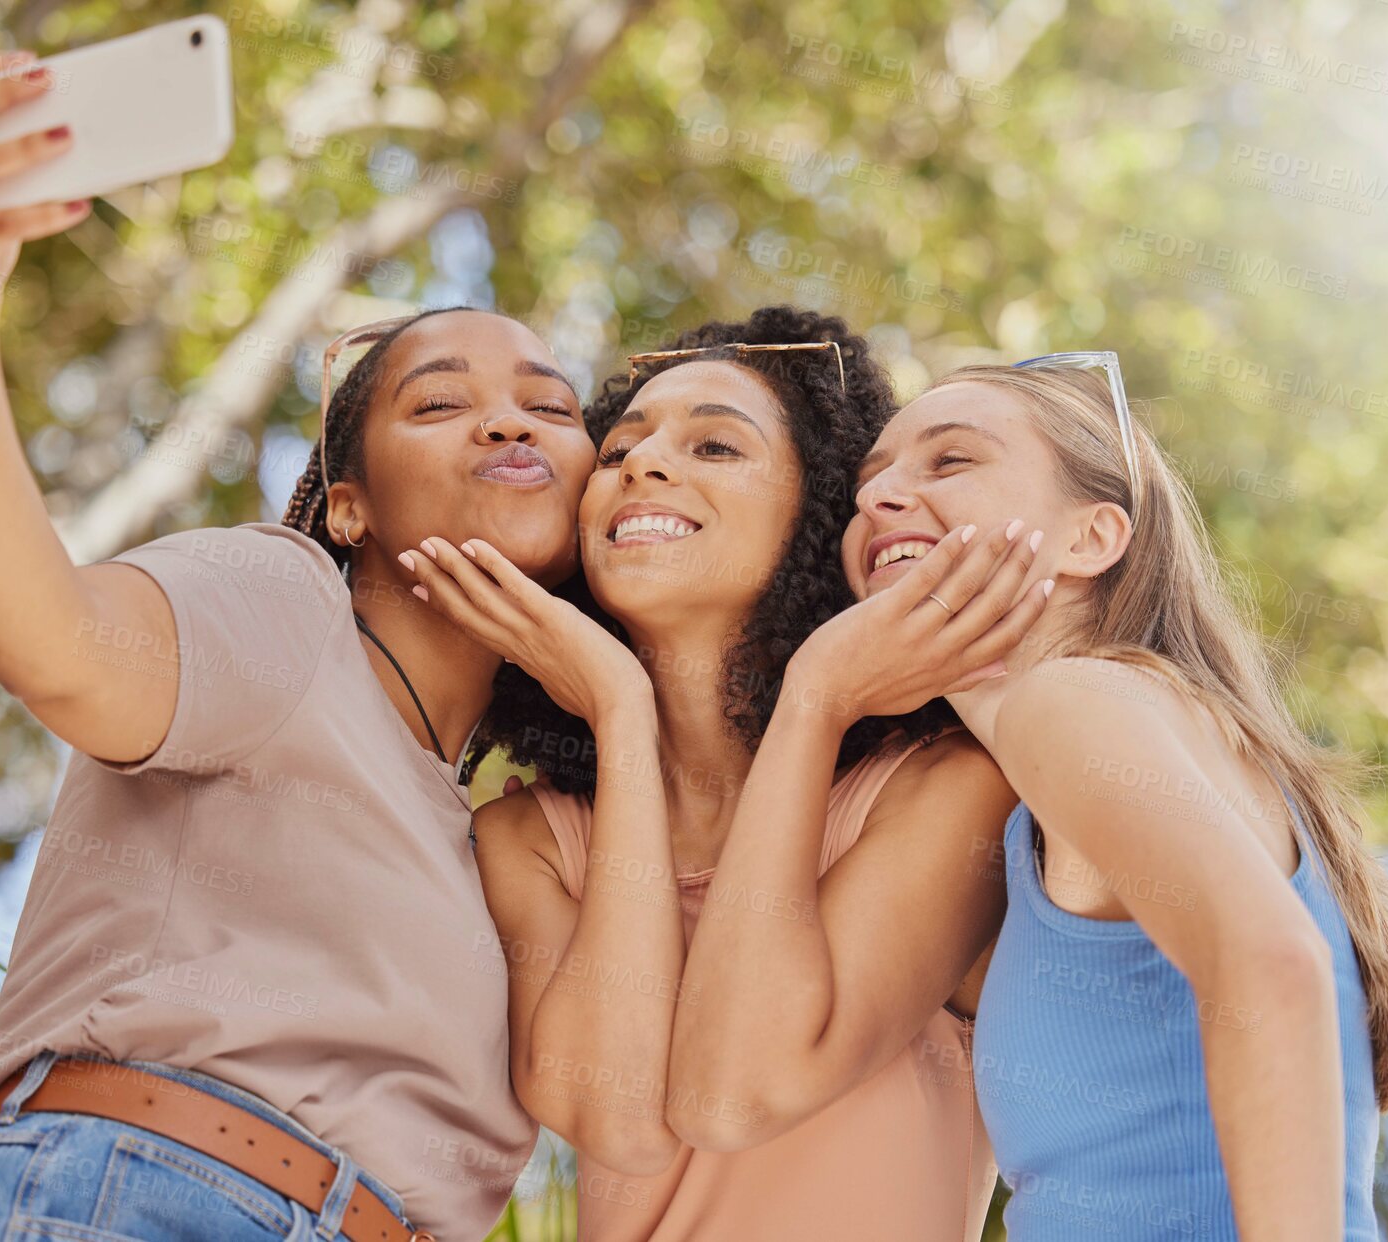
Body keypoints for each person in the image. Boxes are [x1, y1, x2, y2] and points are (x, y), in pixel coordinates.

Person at [0, 49, 597, 1242]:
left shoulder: (505, 832)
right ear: (351, 504)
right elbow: (52, 640)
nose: (509, 415)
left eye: (553, 405)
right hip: (137, 1201)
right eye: (438, 402)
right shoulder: (288, 602)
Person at [400, 307, 1049, 1239]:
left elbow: (748, 1086)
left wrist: (817, 697)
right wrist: (621, 714)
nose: (644, 466)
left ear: (815, 513)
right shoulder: (526, 835)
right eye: (619, 450)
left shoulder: (946, 789)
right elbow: (614, 1118)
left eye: (715, 446)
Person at [840, 358, 1388, 1240]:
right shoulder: (1094, 760)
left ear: (1091, 539)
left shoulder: (1072, 701)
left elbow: (1270, 967)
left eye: (949, 461)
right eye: (869, 477)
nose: (882, 493)